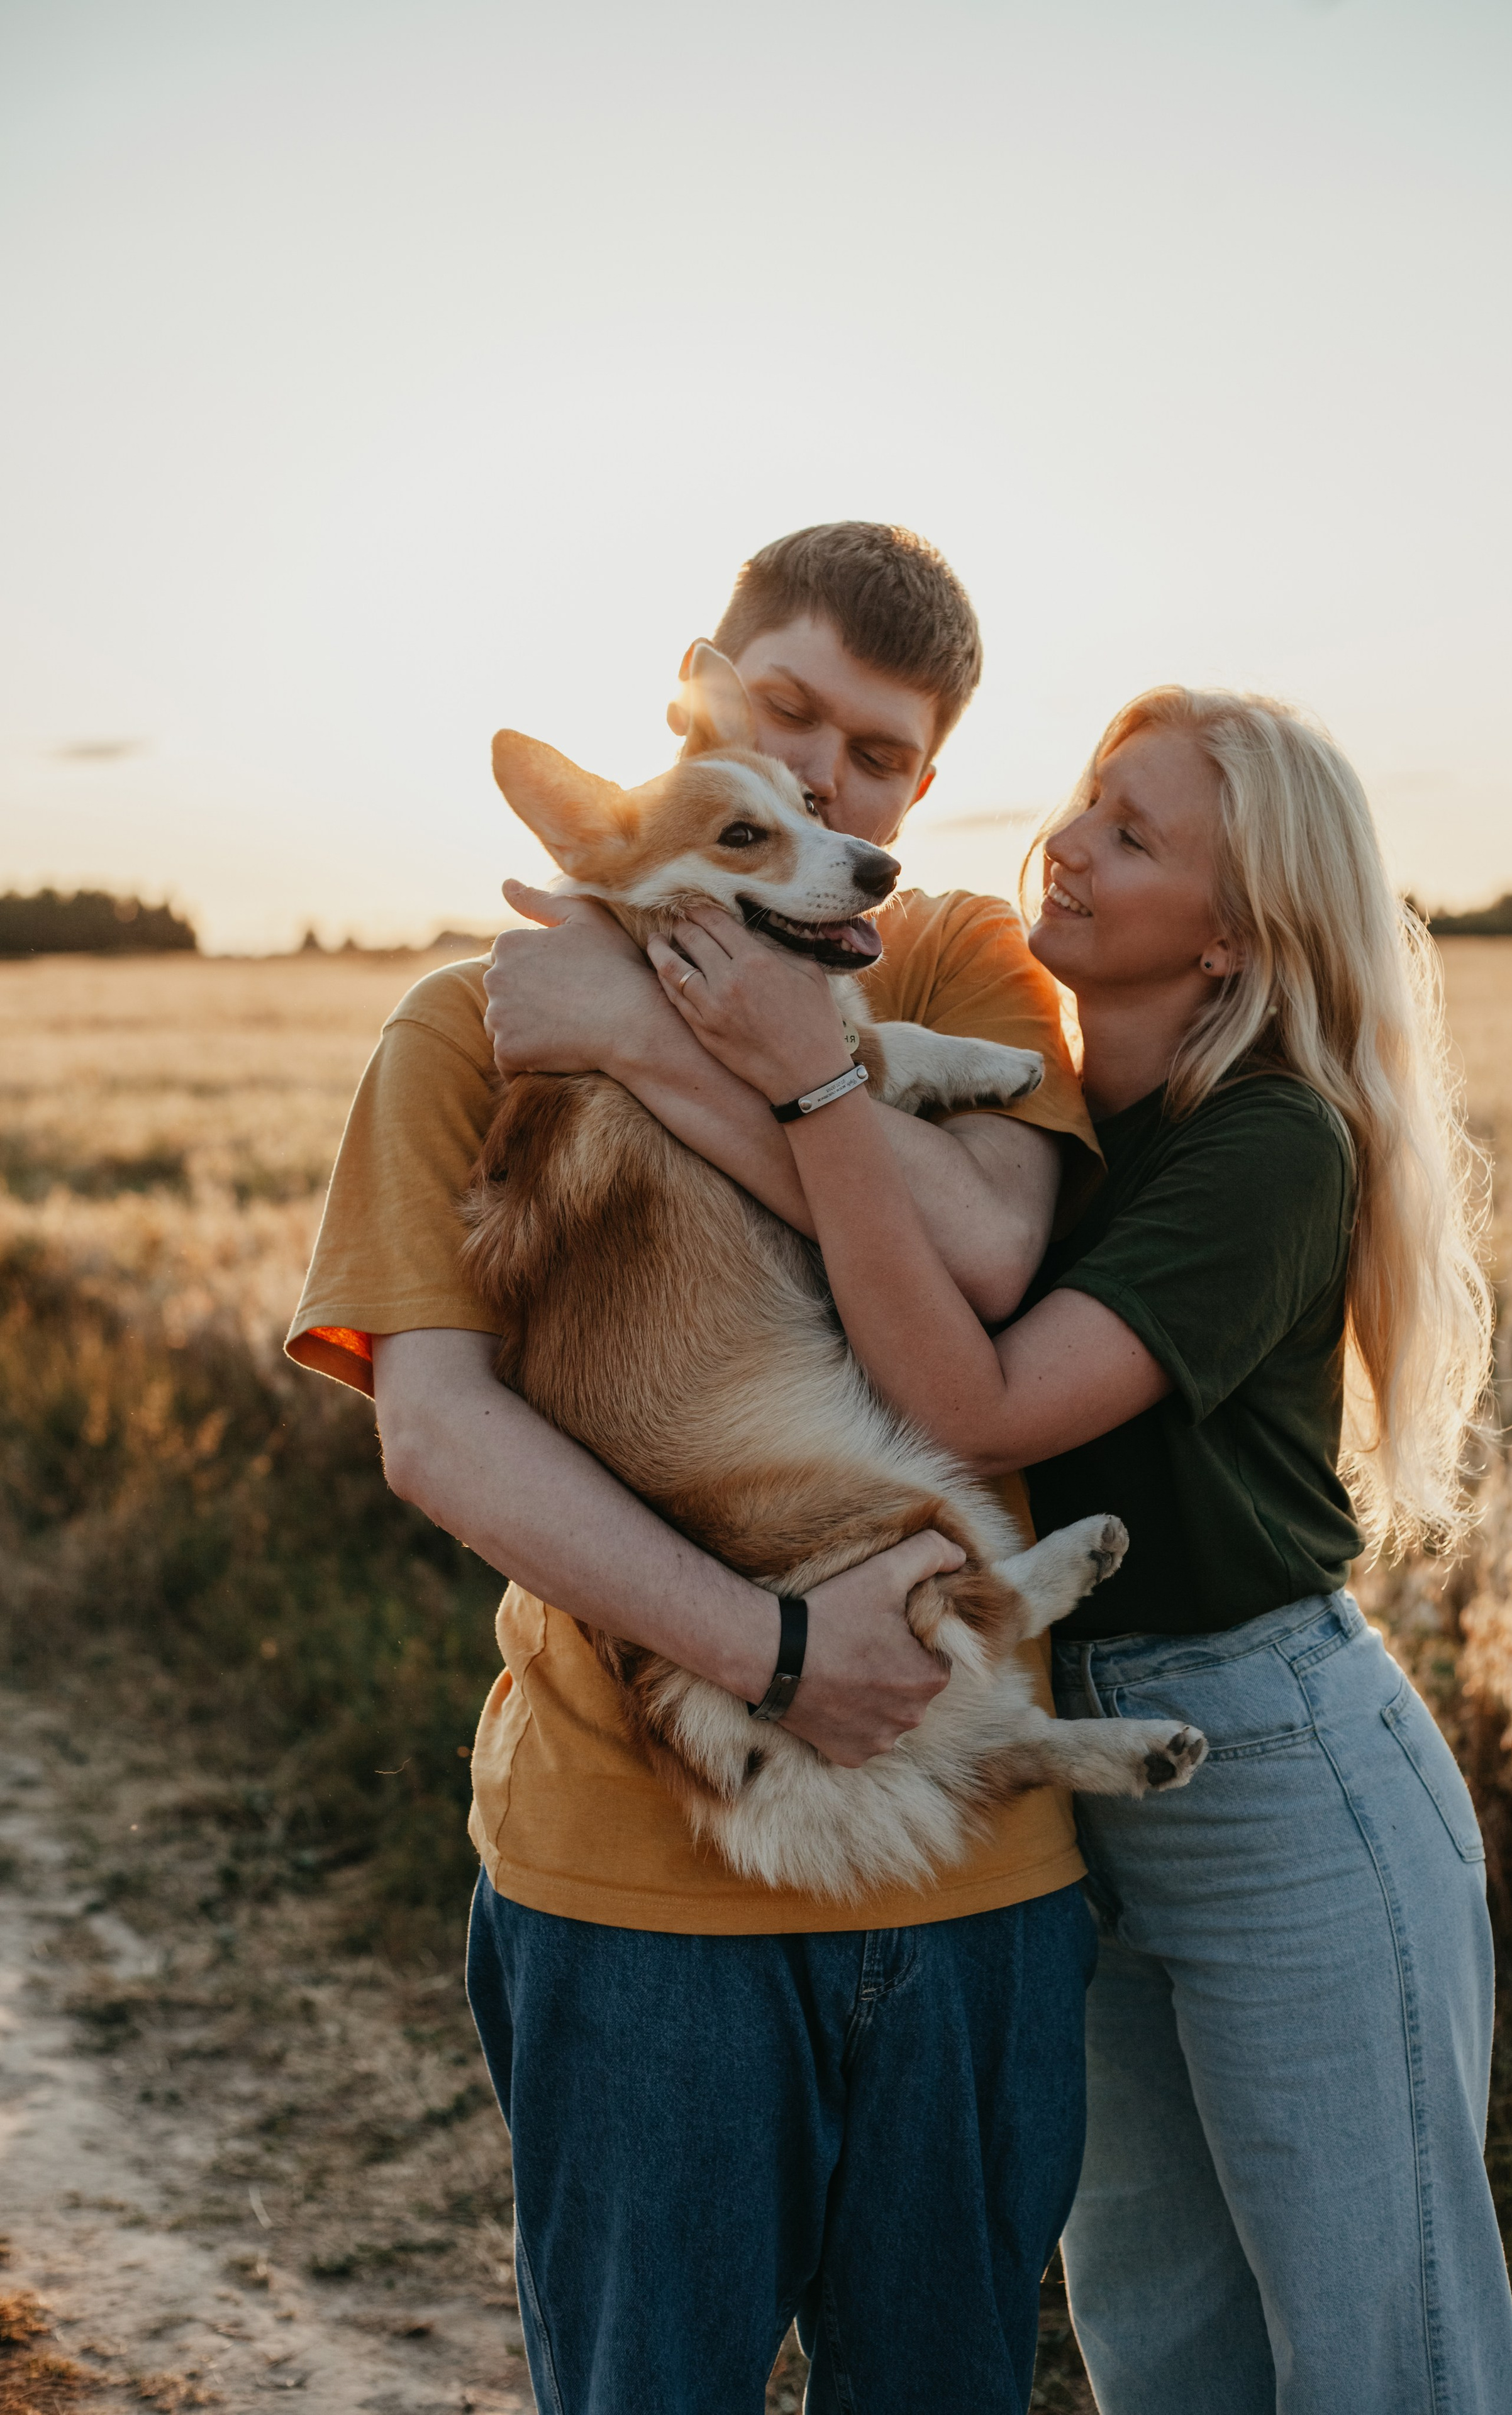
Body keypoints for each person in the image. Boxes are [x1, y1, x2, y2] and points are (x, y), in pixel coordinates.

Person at [286, 523, 1108, 2413]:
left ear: (926, 784)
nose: (825, 773)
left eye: (882, 755)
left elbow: (985, 1261)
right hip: (630, 1880)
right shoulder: (470, 1019)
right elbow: (439, 1427)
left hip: (974, 1867)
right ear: (699, 690)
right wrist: (780, 1656)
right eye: (785, 710)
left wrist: (675, 1044)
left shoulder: (969, 968)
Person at [652, 684, 1512, 2415]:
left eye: (1137, 835)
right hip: (1065, 1766)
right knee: (1159, 2344)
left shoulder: (1273, 1140)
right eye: (1085, 800)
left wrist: (812, 1073)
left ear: (1235, 935)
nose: (1071, 842)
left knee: (1381, 2357)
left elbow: (973, 1406)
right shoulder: (1039, 1122)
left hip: (1284, 1780)